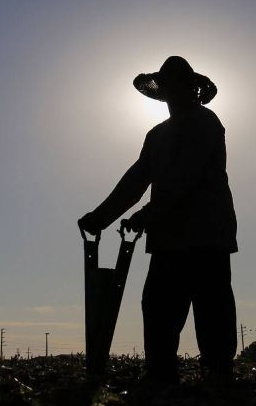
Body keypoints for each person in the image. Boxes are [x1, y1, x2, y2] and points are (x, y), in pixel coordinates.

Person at [78, 55, 238, 385]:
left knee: (211, 304)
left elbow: (188, 175)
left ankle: (219, 373)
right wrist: (101, 217)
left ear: (190, 88)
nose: (171, 93)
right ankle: (160, 374)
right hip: (169, 236)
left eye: (177, 85)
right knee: (158, 306)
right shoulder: (157, 136)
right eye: (166, 87)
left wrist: (150, 213)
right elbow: (136, 180)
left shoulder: (205, 122)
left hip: (207, 230)